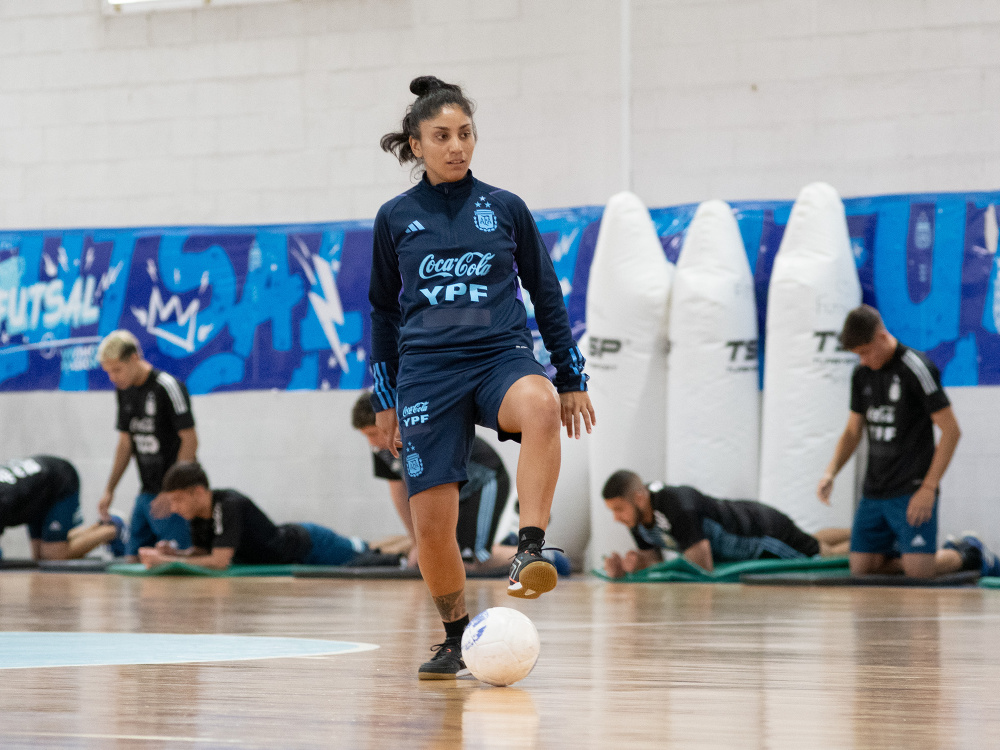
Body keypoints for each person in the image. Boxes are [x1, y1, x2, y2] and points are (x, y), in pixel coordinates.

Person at [369, 75, 595, 679]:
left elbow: (546, 292)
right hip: (427, 373)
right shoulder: (394, 218)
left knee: (541, 404)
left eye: (465, 133)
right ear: (416, 145)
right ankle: (454, 638)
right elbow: (383, 312)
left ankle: (529, 551)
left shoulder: (505, 207)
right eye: (442, 136)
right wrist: (385, 397)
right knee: (432, 527)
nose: (456, 146)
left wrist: (570, 376)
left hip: (499, 356)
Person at [817, 305, 992, 578]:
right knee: (861, 569)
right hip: (874, 490)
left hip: (911, 488)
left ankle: (969, 552)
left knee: (919, 572)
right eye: (857, 355)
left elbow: (951, 431)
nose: (863, 360)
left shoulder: (916, 368)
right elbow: (852, 431)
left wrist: (928, 488)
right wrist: (831, 472)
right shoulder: (862, 374)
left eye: (865, 352)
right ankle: (903, 550)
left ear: (881, 336)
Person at [352, 391, 520, 570]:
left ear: (389, 421)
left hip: (484, 479)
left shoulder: (420, 433)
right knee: (444, 557)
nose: (371, 442)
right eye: (366, 436)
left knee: (470, 560)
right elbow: (399, 492)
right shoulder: (381, 448)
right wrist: (417, 542)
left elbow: (436, 489)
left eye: (373, 433)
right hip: (453, 488)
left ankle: (532, 556)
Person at [601, 470, 852, 577]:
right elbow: (655, 563)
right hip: (752, 517)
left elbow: (702, 566)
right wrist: (630, 568)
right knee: (808, 540)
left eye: (619, 509)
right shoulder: (637, 519)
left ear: (639, 498)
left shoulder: (676, 507)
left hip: (761, 533)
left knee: (820, 555)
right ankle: (858, 533)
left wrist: (645, 568)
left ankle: (865, 544)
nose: (616, 518)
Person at [138, 461, 370, 571]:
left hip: (311, 545)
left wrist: (167, 562)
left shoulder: (228, 504)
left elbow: (219, 561)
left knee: (369, 557)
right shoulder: (197, 515)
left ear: (198, 492)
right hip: (296, 552)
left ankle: (382, 548)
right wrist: (175, 553)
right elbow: (201, 553)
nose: (174, 508)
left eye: (178, 499)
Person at [98, 329, 198, 560]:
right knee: (133, 559)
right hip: (146, 492)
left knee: (178, 560)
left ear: (134, 358)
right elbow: (125, 443)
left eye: (117, 370)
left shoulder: (167, 386)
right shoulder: (124, 391)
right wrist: (110, 489)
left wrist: (172, 490)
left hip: (174, 495)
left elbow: (190, 441)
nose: (113, 377)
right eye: (108, 371)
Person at [0, 455, 125, 561]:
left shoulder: (4, 500)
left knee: (53, 555)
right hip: (37, 490)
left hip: (59, 481)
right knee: (39, 558)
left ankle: (113, 529)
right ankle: (100, 525)